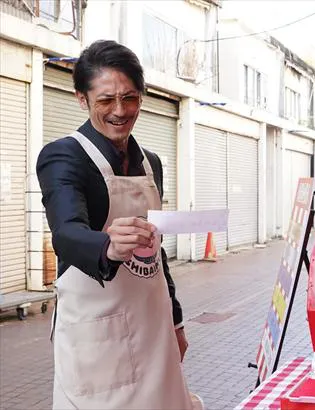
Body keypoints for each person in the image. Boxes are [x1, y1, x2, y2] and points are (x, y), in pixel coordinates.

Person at [37, 40, 202, 409]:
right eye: (106, 100)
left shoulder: (151, 163)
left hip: (154, 328)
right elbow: (65, 232)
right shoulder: (65, 156)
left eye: (129, 98)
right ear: (82, 99)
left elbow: (155, 253)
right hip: (98, 332)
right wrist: (106, 245)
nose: (119, 111)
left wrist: (175, 321)